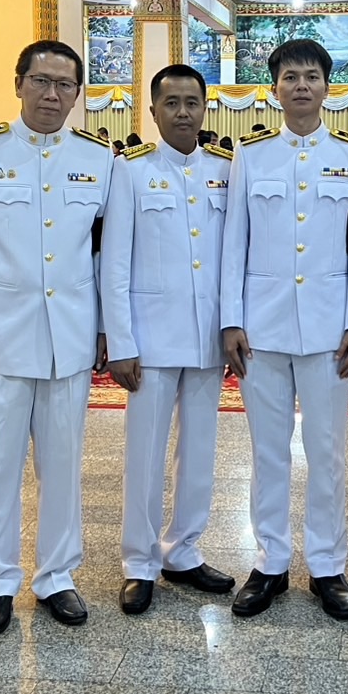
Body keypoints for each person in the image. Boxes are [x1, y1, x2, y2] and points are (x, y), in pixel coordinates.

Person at [0, 40, 114, 636]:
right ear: (18, 84)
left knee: (62, 468)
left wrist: (105, 328)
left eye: (65, 85)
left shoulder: (98, 158)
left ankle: (57, 576)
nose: (52, 95)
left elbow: (107, 255)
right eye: (41, 81)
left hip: (68, 340)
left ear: (77, 94)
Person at [220, 39, 348, 622]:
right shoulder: (251, 155)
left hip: (329, 327)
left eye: (312, 76)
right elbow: (233, 242)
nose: (302, 86)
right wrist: (231, 319)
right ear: (275, 89)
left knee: (327, 450)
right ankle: (270, 562)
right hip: (261, 328)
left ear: (328, 87)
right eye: (291, 77)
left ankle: (328, 565)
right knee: (267, 450)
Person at [103, 65, 237, 615]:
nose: (183, 112)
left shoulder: (226, 170)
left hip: (207, 336)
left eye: (192, 102)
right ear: (154, 110)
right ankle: (140, 561)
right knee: (145, 453)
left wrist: (231, 326)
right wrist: (121, 340)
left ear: (205, 108)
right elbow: (114, 262)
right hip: (150, 339)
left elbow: (232, 257)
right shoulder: (130, 170)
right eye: (171, 103)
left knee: (199, 450)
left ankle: (183, 550)